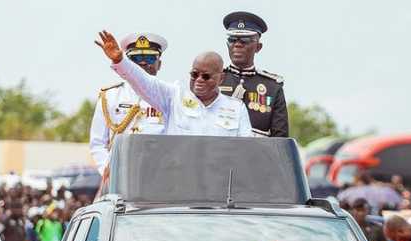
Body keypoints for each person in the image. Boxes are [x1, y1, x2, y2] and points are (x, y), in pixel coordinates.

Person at [94, 30, 252, 137]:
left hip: (219, 182)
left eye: (206, 76)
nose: (198, 80)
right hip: (179, 181)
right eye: (194, 74)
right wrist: (120, 60)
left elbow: (247, 151)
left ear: (221, 78)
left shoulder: (236, 109)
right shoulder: (173, 96)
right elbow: (144, 81)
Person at [88, 33, 168, 175]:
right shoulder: (110, 96)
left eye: (149, 58)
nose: (143, 63)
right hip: (119, 175)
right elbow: (98, 143)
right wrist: (109, 170)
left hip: (158, 174)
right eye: (136, 58)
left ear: (159, 64)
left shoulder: (169, 96)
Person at [218, 11, 289, 137]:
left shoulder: (272, 87)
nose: (238, 45)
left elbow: (280, 139)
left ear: (258, 47)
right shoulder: (214, 79)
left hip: (256, 155)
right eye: (232, 40)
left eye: (245, 40)